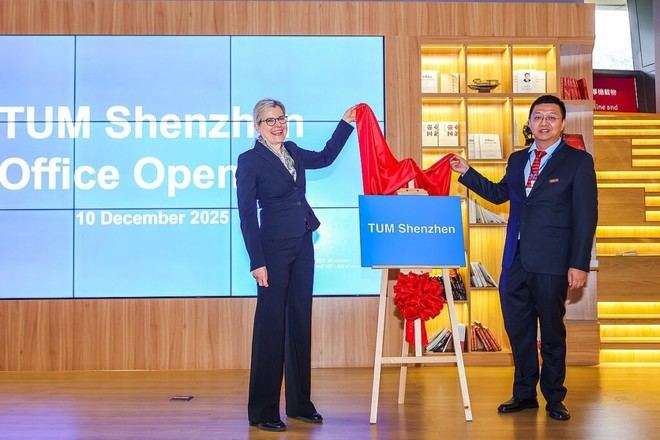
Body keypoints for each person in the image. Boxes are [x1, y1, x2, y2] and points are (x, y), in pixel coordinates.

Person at [449, 95, 597, 421]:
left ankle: (555, 397)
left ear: (562, 124)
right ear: (529, 123)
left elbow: (586, 216)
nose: (544, 122)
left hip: (553, 261)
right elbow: (499, 194)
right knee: (519, 330)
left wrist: (579, 263)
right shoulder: (518, 160)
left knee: (552, 332)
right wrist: (467, 172)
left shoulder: (577, 162)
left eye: (551, 117)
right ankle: (524, 393)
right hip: (514, 259)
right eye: (538, 116)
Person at [236, 98, 357, 432]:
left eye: (281, 118)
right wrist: (257, 261)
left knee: (300, 322)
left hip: (303, 243)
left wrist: (345, 123)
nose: (278, 125)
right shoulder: (249, 160)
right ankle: (263, 411)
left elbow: (325, 157)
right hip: (272, 251)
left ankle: (300, 404)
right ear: (257, 126)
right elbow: (246, 215)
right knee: (271, 327)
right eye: (270, 120)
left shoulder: (291, 150)